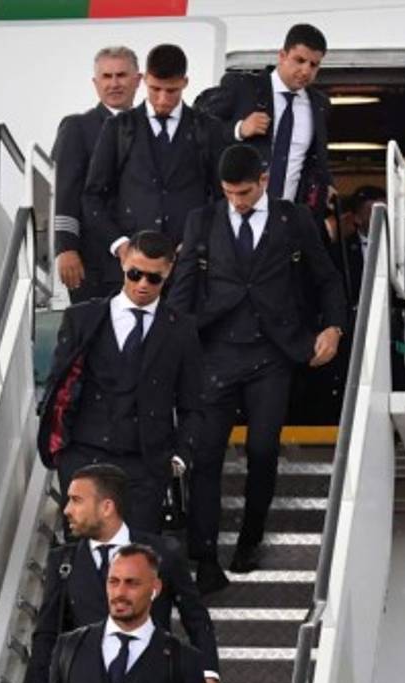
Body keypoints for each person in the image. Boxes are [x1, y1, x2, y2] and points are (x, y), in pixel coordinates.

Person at [167, 144, 346, 590]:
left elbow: (327, 278)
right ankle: (206, 555)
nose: (237, 201)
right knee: (205, 457)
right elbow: (183, 292)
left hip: (273, 355)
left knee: (263, 450)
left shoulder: (294, 219)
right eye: (229, 192)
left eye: (244, 192)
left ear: (264, 180)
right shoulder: (203, 220)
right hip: (216, 354)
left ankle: (251, 535)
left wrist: (334, 329)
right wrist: (175, 349)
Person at [26, 464, 221, 683]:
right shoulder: (63, 562)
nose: (67, 510)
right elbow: (46, 632)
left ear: (106, 507)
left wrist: (208, 674)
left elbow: (195, 616)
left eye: (76, 501)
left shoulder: (163, 552)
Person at [37, 230, 202, 531]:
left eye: (154, 278)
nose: (142, 284)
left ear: (169, 273)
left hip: (146, 463)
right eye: (135, 274)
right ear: (123, 262)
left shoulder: (182, 330)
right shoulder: (82, 319)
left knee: (137, 560)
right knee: (86, 560)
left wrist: (179, 457)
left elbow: (192, 402)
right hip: (84, 456)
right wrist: (63, 455)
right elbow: (57, 385)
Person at [34, 543, 215, 683]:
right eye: (113, 582)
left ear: (155, 588)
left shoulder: (184, 661)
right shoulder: (69, 646)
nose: (120, 593)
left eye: (132, 583)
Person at [83, 43, 231, 258]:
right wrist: (120, 245)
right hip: (132, 264)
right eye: (155, 89)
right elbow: (92, 196)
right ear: (144, 81)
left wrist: (201, 239)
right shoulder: (118, 127)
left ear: (185, 82)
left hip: (190, 261)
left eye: (171, 90)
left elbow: (224, 196)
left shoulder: (209, 128)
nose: (162, 99)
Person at [195, 24, 332, 217]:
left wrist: (325, 190)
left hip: (288, 217)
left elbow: (316, 160)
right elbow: (200, 126)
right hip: (238, 214)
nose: (305, 70)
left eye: (313, 64)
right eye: (299, 60)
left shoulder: (319, 104)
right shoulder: (244, 87)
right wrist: (239, 129)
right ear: (282, 56)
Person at [53, 46, 142, 303]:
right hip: (93, 262)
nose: (114, 84)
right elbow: (66, 190)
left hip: (141, 260)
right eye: (106, 76)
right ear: (95, 83)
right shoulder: (78, 127)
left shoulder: (149, 127)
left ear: (138, 80)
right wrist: (66, 247)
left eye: (121, 75)